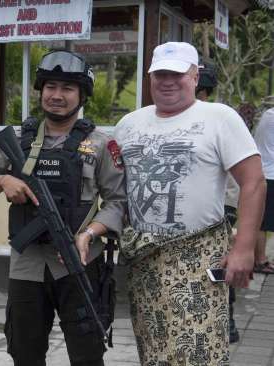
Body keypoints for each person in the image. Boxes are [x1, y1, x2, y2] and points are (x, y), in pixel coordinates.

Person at [114, 41, 265, 364]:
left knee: (200, 351)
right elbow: (116, 189)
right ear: (150, 78)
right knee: (154, 350)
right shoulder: (128, 125)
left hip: (199, 258)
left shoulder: (219, 117)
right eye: (160, 74)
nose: (168, 81)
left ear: (195, 76)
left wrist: (244, 248)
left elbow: (253, 181)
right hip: (145, 261)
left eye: (178, 74)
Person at [0, 50, 126, 366]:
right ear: (41, 90)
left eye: (67, 89)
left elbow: (118, 202)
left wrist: (90, 233)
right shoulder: (19, 139)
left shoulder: (100, 144)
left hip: (80, 262)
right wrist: (3, 182)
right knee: (25, 352)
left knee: (87, 354)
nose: (57, 95)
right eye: (51, 87)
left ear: (82, 95)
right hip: (27, 266)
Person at [195, 60, 240, 344]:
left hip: (220, 208)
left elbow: (238, 175)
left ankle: (228, 319)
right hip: (219, 207)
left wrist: (231, 214)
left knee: (217, 266)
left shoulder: (220, 118)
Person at [254, 105, 274, 274]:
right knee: (264, 222)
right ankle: (260, 261)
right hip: (272, 174)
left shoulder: (268, 114)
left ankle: (259, 259)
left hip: (263, 172)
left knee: (262, 220)